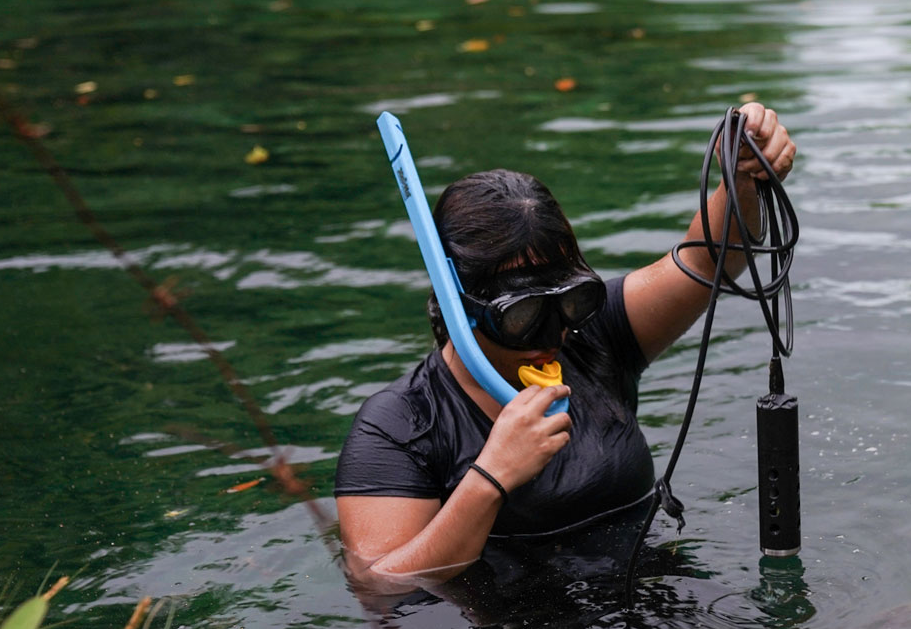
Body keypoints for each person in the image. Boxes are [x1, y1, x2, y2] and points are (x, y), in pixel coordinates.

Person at [334, 103, 796, 588]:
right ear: (459, 307)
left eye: (573, 302)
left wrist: (740, 169)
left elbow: (709, 262)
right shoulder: (400, 426)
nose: (553, 335)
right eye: (523, 316)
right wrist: (490, 477)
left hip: (648, 611)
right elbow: (378, 584)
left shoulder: (593, 338)